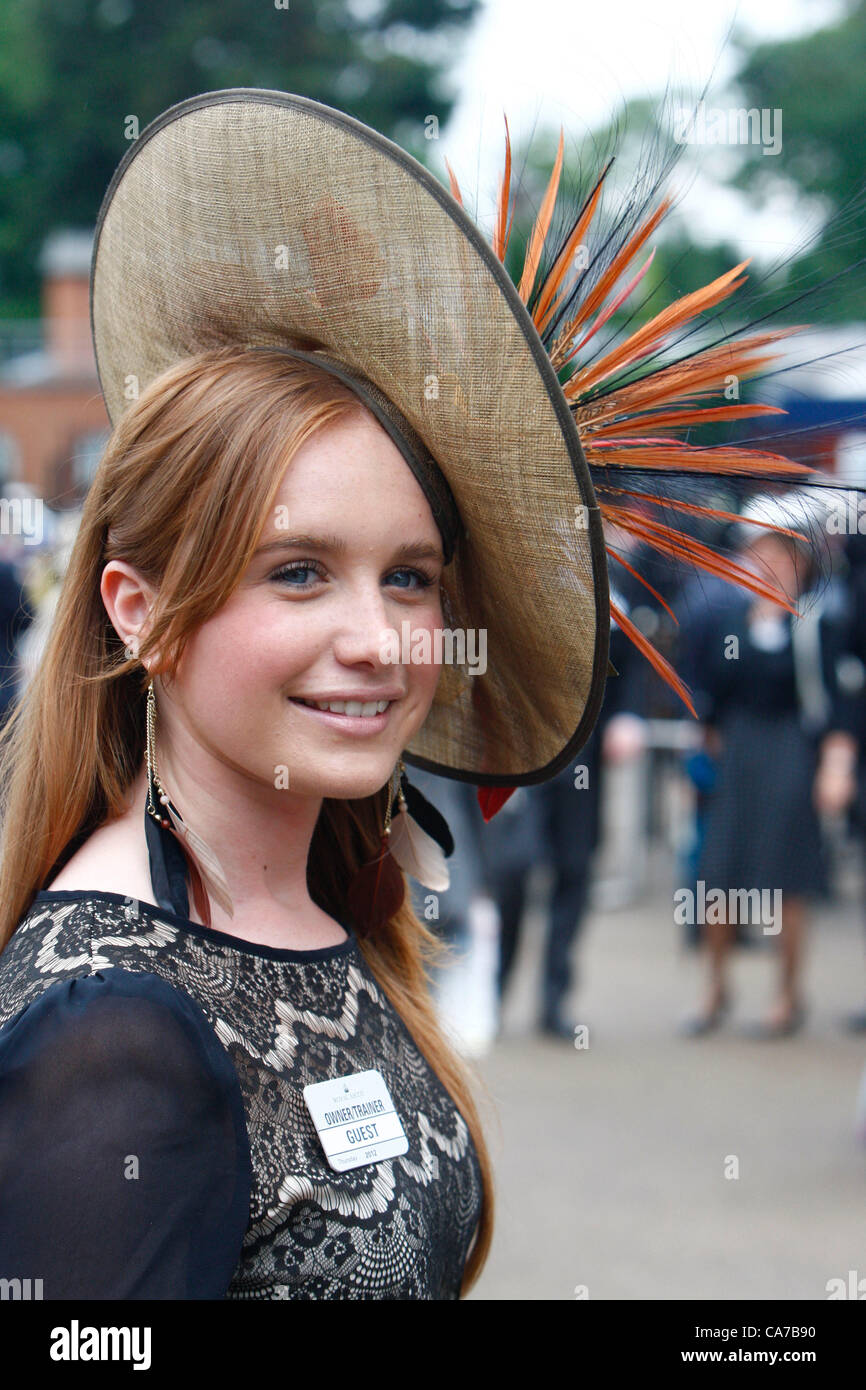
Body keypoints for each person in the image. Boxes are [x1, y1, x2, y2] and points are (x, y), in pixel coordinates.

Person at [0, 89, 838, 1300]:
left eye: (409, 577)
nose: (383, 640)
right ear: (139, 611)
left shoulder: (332, 898)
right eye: (298, 572)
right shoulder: (111, 1031)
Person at [679, 502, 856, 1039]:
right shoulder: (729, 623)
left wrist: (834, 765)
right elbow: (707, 695)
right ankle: (715, 986)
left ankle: (788, 993)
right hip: (737, 753)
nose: (764, 566)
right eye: (757, 555)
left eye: (775, 555)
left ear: (798, 563)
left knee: (785, 877)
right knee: (718, 875)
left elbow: (834, 704)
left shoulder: (816, 627)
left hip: (790, 753)